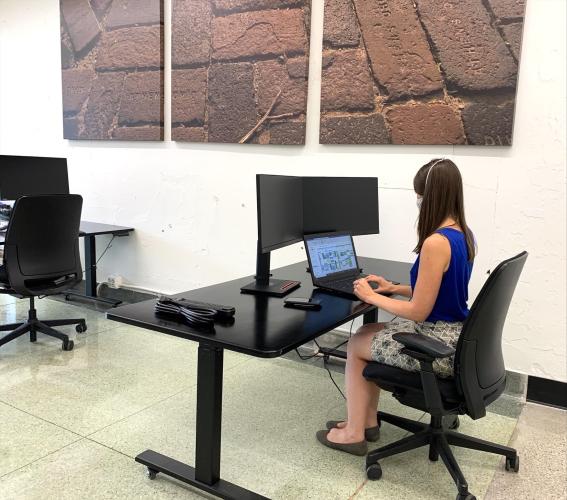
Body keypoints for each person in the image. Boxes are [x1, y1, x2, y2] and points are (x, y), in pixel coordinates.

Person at [316, 158, 475, 456]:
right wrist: (393, 288)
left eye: (419, 195)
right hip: (456, 335)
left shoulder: (435, 243)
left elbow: (418, 311)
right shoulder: (464, 234)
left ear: (431, 197)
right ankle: (367, 420)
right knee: (369, 330)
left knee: (356, 343)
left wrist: (372, 296)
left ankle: (354, 432)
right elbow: (438, 289)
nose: (417, 201)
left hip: (437, 345)